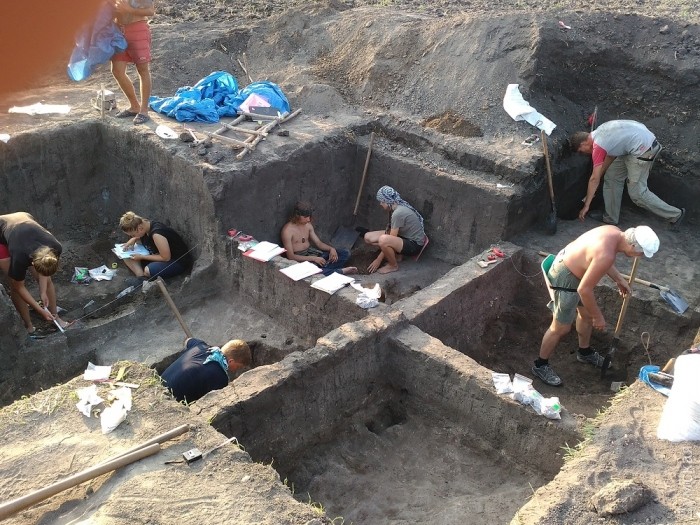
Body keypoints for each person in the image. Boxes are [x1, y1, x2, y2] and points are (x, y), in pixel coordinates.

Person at [532, 224, 659, 387]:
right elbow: (584, 289)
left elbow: (599, 259)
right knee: (561, 327)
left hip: (571, 268)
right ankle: (540, 365)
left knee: (585, 316)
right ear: (633, 245)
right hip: (565, 278)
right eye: (641, 253)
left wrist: (619, 279)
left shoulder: (614, 232)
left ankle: (584, 352)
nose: (639, 256)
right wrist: (598, 317)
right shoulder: (606, 254)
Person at [571, 120, 685, 228]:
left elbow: (594, 179)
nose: (583, 154)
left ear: (583, 143)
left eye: (581, 151)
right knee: (612, 177)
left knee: (637, 194)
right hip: (635, 145)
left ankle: (676, 215)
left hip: (644, 150)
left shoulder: (598, 146)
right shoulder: (601, 132)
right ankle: (611, 218)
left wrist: (586, 205)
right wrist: (598, 177)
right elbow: (610, 156)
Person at [0, 212, 68, 333]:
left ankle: (55, 318)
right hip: (3, 235)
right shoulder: (19, 256)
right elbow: (19, 287)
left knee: (47, 281)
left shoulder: (56, 247)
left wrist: (43, 292)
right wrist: (40, 310)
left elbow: (45, 271)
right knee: (15, 285)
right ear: (32, 262)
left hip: (25, 221)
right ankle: (29, 326)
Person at [161, 337, 252, 403]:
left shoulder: (200, 345)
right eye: (238, 367)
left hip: (158, 386)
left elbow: (187, 340)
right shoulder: (221, 378)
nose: (236, 370)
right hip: (169, 402)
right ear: (231, 361)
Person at [280, 201, 358, 276]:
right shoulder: (287, 231)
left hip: (313, 254)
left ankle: (327, 270)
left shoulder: (308, 225)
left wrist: (331, 249)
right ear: (297, 216)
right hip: (301, 260)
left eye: (309, 216)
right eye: (305, 217)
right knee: (312, 272)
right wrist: (314, 259)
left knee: (345, 253)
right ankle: (339, 271)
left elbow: (318, 243)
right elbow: (291, 257)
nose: (308, 219)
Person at [362, 185, 426, 274]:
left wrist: (378, 260)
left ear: (387, 201)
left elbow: (388, 239)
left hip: (414, 245)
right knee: (367, 237)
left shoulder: (398, 213)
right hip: (404, 236)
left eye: (382, 201)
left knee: (383, 240)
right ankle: (396, 256)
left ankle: (393, 265)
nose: (380, 204)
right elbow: (391, 233)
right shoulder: (396, 207)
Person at [110, 0, 156, 125]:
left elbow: (150, 11)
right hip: (118, 31)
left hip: (138, 28)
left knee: (142, 70)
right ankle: (134, 106)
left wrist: (129, 10)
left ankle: (144, 111)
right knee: (117, 71)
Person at [119, 211, 192, 283]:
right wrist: (134, 239)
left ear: (140, 228)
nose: (132, 236)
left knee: (148, 270)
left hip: (177, 261)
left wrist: (142, 257)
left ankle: (144, 278)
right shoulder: (146, 226)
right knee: (126, 255)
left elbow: (166, 258)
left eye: (133, 235)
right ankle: (141, 278)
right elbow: (143, 238)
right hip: (160, 255)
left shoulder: (157, 234)